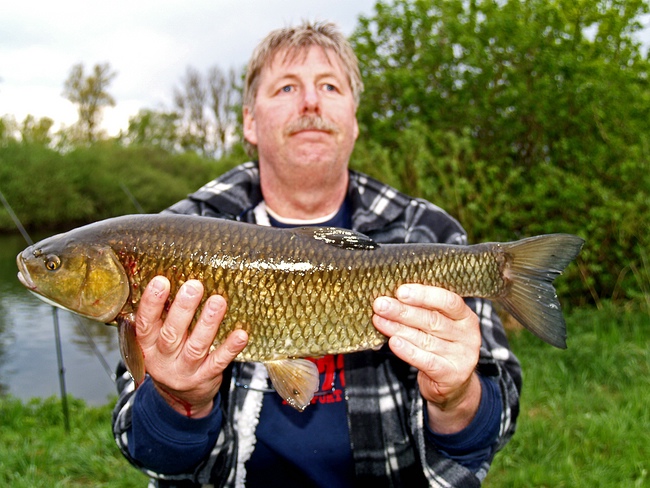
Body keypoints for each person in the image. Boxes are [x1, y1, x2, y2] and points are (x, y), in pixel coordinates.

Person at [112, 21, 522, 487]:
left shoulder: (427, 232)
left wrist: (457, 398)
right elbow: (147, 451)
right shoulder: (171, 241)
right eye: (287, 87)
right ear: (249, 120)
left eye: (329, 85)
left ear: (354, 118)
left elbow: (490, 430)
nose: (310, 102)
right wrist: (179, 398)